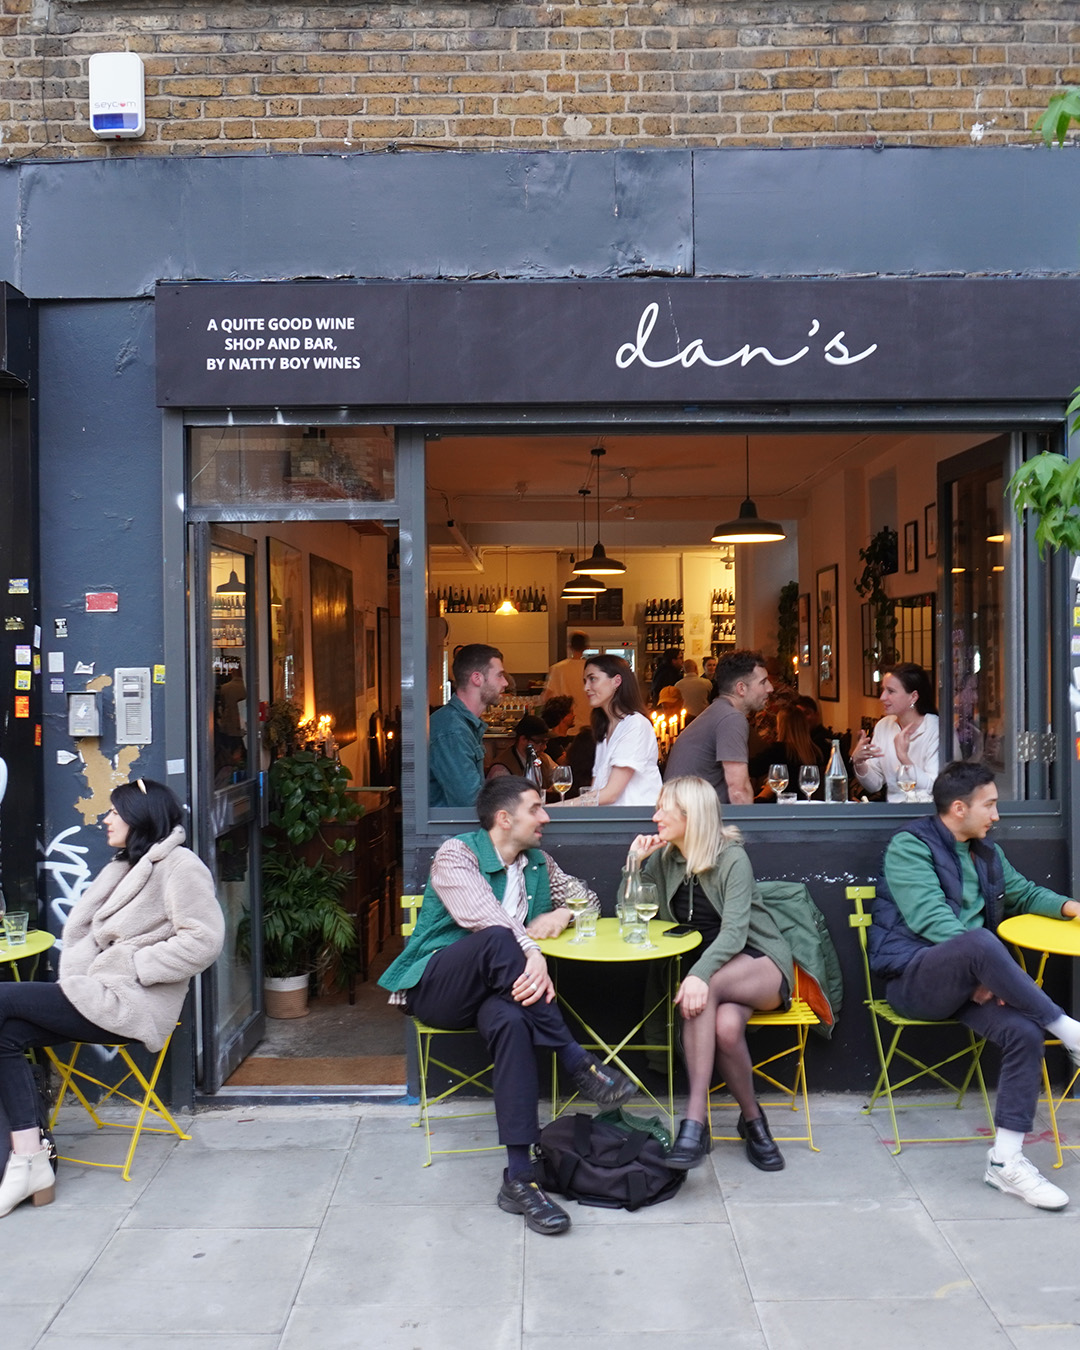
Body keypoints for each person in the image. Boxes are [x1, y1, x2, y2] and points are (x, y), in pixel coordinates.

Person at [378, 776, 634, 1235]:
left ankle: (519, 1179)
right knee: (498, 938)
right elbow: (483, 915)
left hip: (500, 993)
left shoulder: (538, 864)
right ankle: (575, 1058)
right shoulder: (458, 854)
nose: (546, 817)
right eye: (537, 808)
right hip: (439, 987)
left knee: (514, 1022)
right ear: (504, 818)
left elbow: (589, 899)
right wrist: (531, 951)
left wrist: (563, 913)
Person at [0, 778, 225, 1218]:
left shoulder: (180, 866)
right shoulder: (126, 866)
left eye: (115, 812)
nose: (106, 819)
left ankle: (27, 1158)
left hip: (128, 1003)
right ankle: (28, 1157)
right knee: (5, 1033)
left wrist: (133, 966)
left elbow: (204, 941)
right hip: (93, 993)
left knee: (3, 998)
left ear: (141, 817)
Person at [875, 760, 1080, 1210]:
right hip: (915, 982)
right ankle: (1070, 1032)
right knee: (982, 942)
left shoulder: (986, 852)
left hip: (970, 984)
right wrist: (982, 969)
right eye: (989, 805)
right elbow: (932, 919)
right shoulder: (910, 847)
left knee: (1025, 1032)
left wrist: (1071, 907)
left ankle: (1005, 1163)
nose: (996, 815)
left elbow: (1024, 893)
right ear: (958, 807)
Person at [623, 776, 794, 1172]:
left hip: (759, 963)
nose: (655, 817)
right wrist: (635, 864)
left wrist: (699, 976)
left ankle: (695, 1120)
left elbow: (735, 932)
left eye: (663, 809)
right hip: (710, 977)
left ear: (690, 815)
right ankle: (753, 1121)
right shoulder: (667, 860)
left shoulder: (731, 858)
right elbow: (632, 910)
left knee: (704, 987)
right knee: (725, 1029)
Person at [663, 650, 773, 805]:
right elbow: (738, 790)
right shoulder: (731, 718)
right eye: (763, 682)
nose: (770, 688)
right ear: (741, 688)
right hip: (695, 822)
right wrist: (750, 828)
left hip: (686, 816)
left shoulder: (718, 712)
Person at [429, 643, 507, 808]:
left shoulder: (462, 724)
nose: (505, 682)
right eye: (499, 675)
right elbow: (469, 804)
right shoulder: (452, 731)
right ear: (477, 678)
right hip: (451, 833)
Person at [584, 653, 662, 807]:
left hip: (634, 822)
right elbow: (596, 790)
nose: (586, 687)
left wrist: (560, 807)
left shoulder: (635, 724)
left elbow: (611, 794)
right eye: (585, 681)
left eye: (592, 679)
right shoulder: (605, 727)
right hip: (611, 821)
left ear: (616, 681)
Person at [854, 662, 940, 802]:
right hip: (893, 813)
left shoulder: (935, 729)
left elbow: (934, 788)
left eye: (891, 691)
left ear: (913, 697)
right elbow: (874, 784)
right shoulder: (884, 726)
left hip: (927, 815)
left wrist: (904, 757)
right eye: (883, 690)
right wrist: (859, 762)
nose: (882, 697)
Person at [750, 703, 824, 801]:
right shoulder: (816, 751)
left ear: (781, 726)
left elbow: (752, 768)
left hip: (779, 805)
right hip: (804, 803)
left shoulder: (778, 750)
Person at [487, 714, 555, 791]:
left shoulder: (544, 758)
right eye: (539, 742)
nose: (544, 747)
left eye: (546, 742)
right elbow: (503, 800)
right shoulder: (501, 769)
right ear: (523, 739)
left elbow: (559, 777)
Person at [542, 631, 592, 731]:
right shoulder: (593, 669)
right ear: (587, 647)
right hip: (589, 726)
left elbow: (546, 697)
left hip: (565, 726)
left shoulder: (558, 668)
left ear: (569, 646)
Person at [539, 695, 575, 761]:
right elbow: (564, 763)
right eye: (571, 713)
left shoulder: (573, 739)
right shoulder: (550, 743)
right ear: (562, 717)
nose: (574, 715)